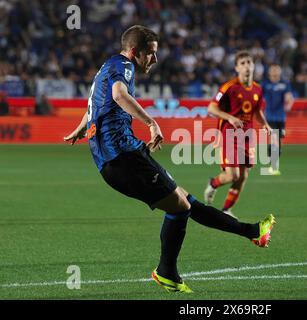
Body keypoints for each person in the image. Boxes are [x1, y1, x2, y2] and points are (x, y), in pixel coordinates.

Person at [63, 25, 276, 293]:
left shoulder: (107, 66)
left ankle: (253, 231)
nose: (154, 59)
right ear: (134, 52)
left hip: (117, 158)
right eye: (150, 53)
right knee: (180, 207)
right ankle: (166, 272)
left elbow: (96, 101)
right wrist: (151, 123)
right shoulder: (124, 66)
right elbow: (118, 95)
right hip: (123, 156)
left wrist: (82, 127)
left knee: (186, 201)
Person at [204, 51, 272, 218]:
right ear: (236, 68)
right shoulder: (229, 87)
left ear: (254, 66)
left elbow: (257, 111)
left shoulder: (257, 89)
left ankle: (226, 210)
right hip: (229, 134)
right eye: (242, 63)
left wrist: (265, 125)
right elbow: (211, 108)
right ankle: (213, 183)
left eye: (249, 62)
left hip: (247, 136)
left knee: (243, 176)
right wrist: (230, 118)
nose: (246, 66)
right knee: (232, 175)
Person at [261, 63, 294, 175]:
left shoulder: (285, 84)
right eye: (273, 70)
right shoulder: (265, 84)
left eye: (277, 70)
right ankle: (273, 166)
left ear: (280, 72)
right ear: (269, 72)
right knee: (274, 138)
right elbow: (258, 96)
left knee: (279, 142)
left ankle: (272, 159)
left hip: (281, 117)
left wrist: (289, 103)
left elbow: (289, 96)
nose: (275, 72)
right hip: (269, 117)